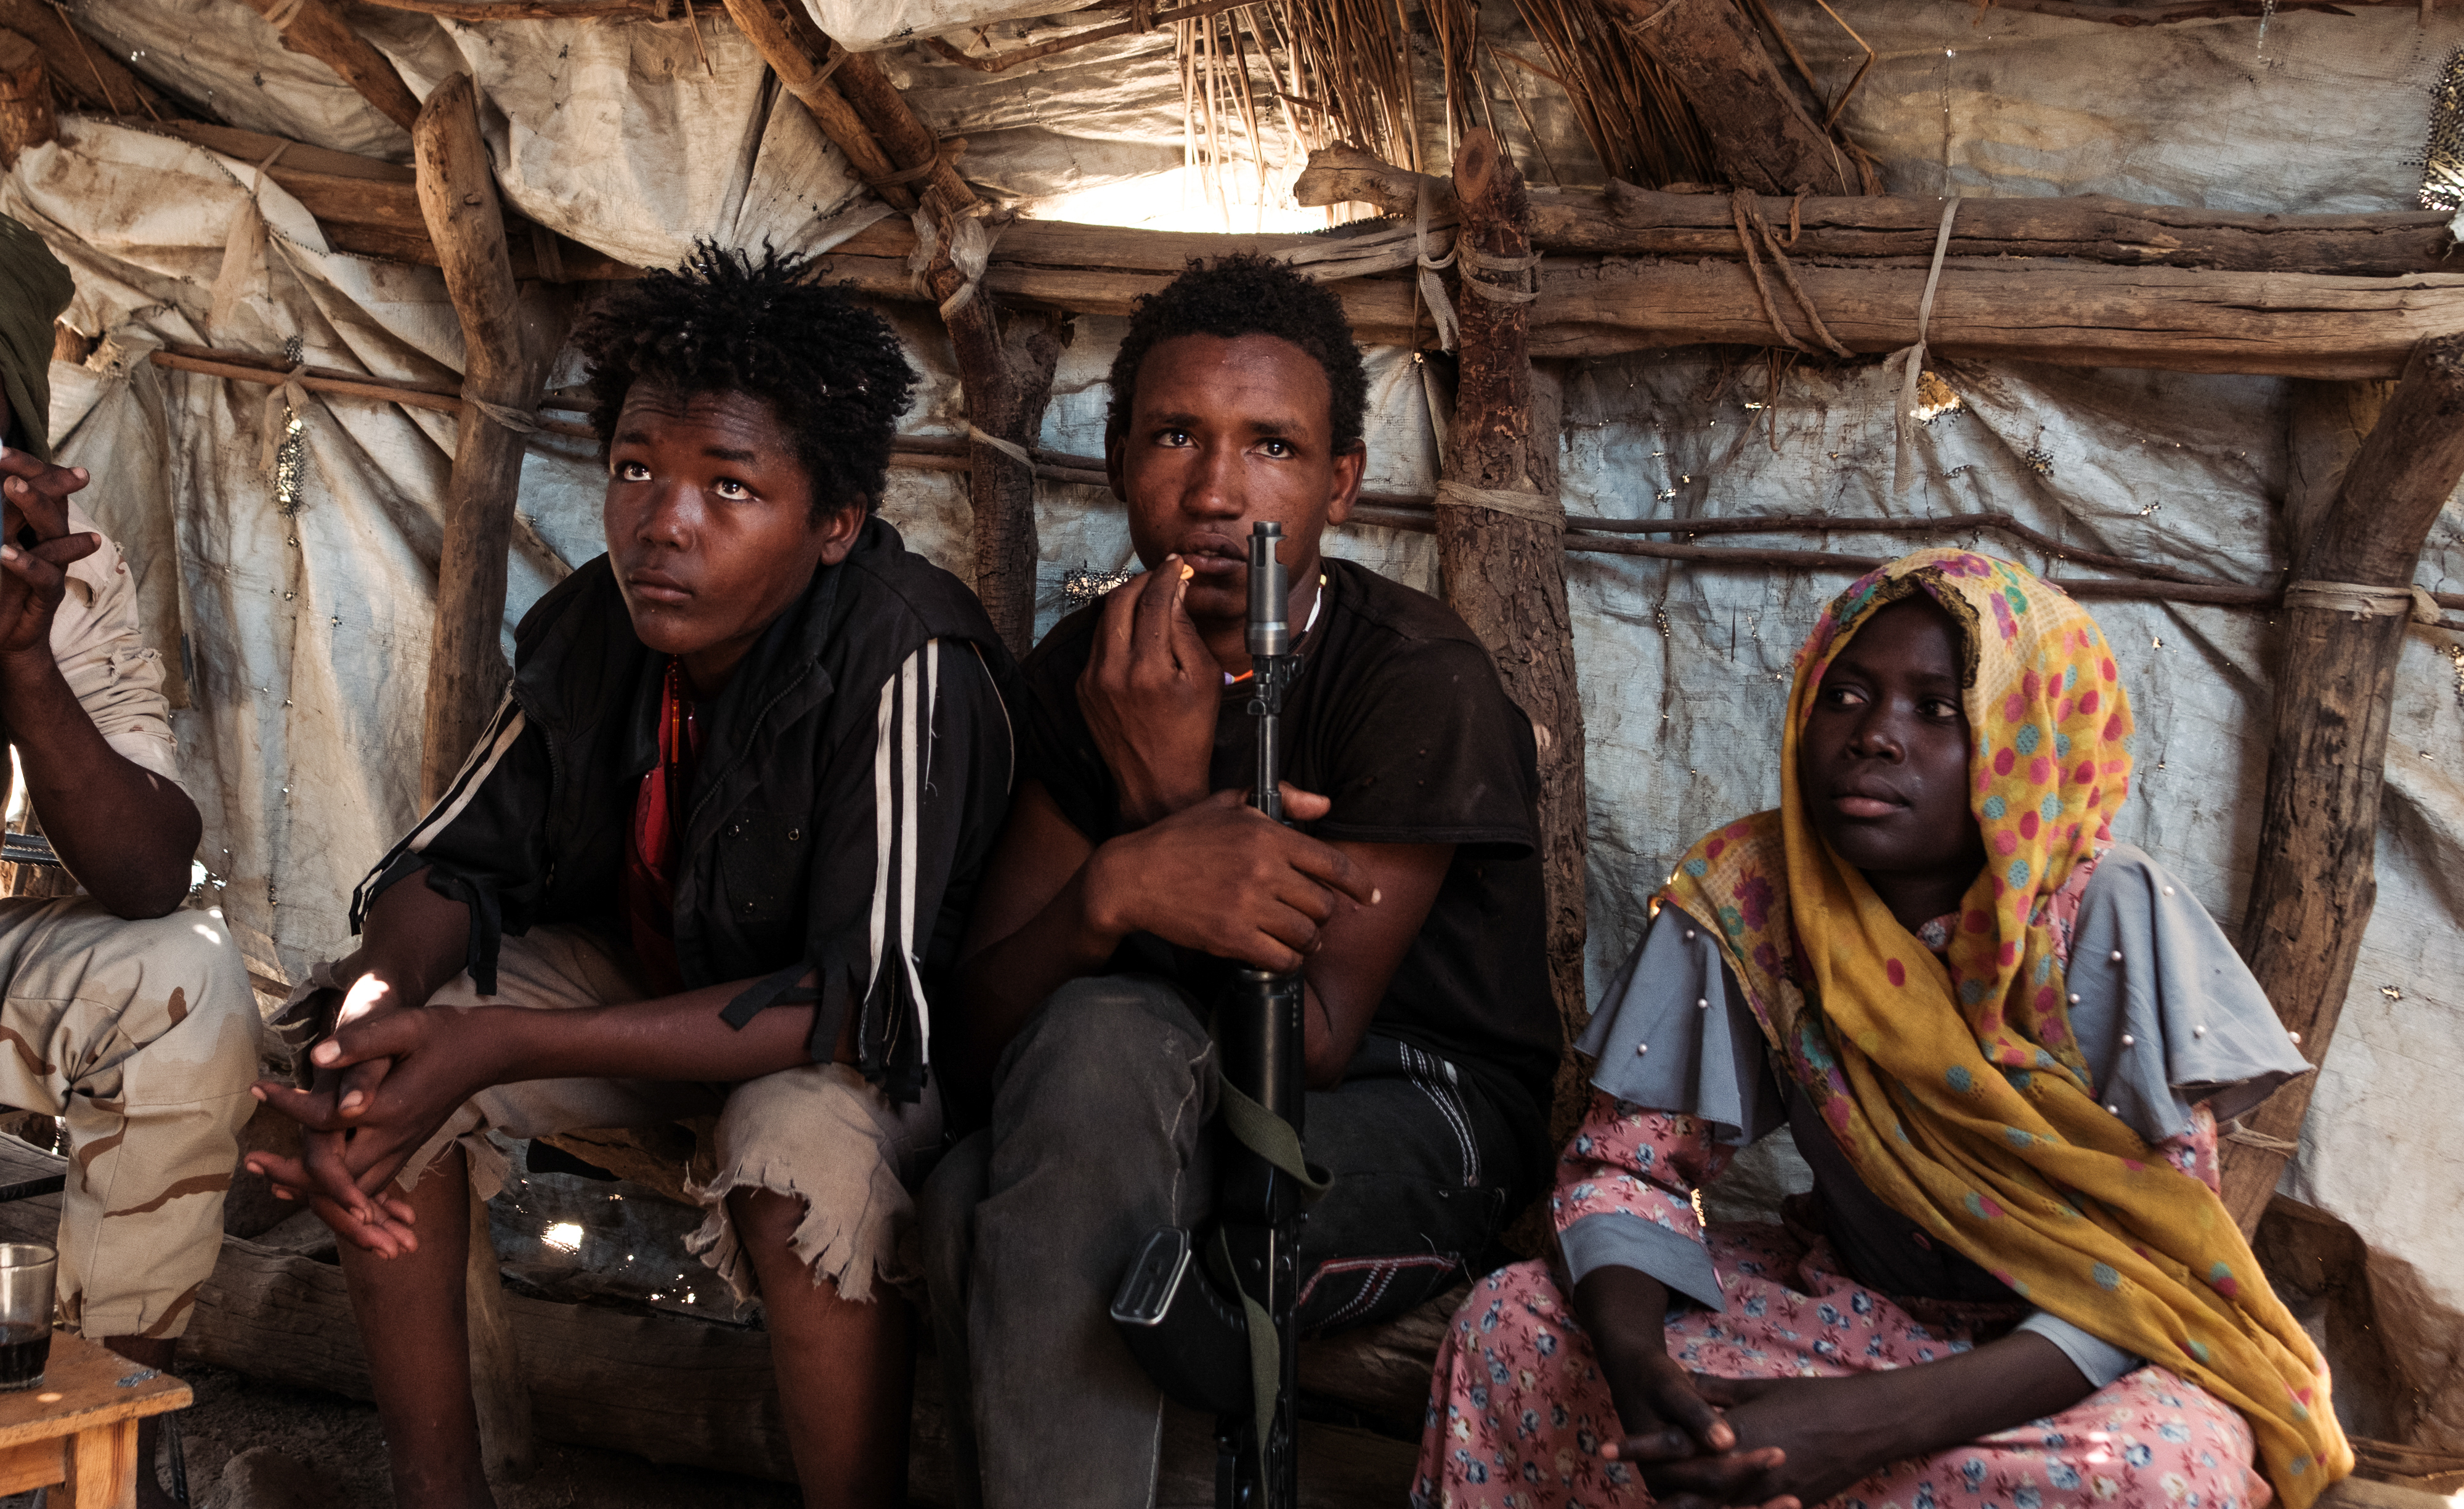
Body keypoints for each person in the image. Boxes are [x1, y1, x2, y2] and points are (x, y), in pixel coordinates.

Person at [245, 249, 1016, 1509]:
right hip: (661, 980)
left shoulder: (905, 652)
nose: (666, 521)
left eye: (730, 485)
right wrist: (373, 1007)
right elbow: (453, 859)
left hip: (870, 1047)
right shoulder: (605, 618)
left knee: (794, 1162)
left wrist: (493, 1040)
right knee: (380, 1053)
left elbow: (849, 998)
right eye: (637, 470)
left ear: (833, 521)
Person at [1417, 548, 2354, 1509]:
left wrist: (1861, 1427)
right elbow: (1631, 1167)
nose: (1875, 737)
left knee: (2157, 1475)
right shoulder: (1757, 894)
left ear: (2029, 737)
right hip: (1848, 1305)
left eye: (1936, 709)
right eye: (1847, 696)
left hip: (2068, 1355)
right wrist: (1642, 1373)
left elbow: (2158, 1271)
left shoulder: (2104, 917)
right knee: (1510, 1323)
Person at [922, 252, 1564, 1509]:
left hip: (1413, 1105)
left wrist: (1167, 805)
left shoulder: (1408, 678)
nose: (1215, 490)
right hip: (1152, 1084)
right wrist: (1112, 885)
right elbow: (976, 1034)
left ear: (1339, 483)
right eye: (1173, 434)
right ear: (1116, 462)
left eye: (1269, 444)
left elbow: (1313, 1040)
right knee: (971, 1175)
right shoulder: (1083, 669)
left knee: (1069, 1153)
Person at [0, 214, 259, 1509]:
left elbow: (149, 870)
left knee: (183, 976)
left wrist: (25, 664)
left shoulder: (57, 581)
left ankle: (100, 1437)